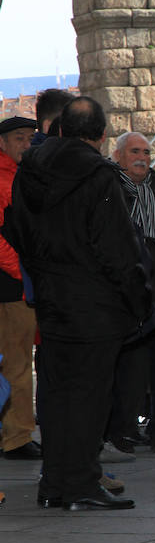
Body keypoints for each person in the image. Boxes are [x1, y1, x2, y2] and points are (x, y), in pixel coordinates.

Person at [7, 96, 149, 509]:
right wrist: (138, 300)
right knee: (90, 396)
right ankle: (82, 482)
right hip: (95, 304)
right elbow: (118, 250)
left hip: (50, 299)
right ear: (102, 137)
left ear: (60, 129)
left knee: (55, 393)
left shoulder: (28, 170)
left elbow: (14, 226)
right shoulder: (99, 177)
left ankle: (54, 483)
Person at [108, 131, 155, 455]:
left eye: (147, 152)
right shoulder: (109, 188)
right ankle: (123, 430)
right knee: (128, 366)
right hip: (128, 291)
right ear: (119, 156)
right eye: (135, 151)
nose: (142, 157)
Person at [0, 116, 41, 460]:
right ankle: (16, 437)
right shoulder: (6, 179)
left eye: (30, 138)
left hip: (14, 284)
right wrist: (21, 274)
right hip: (11, 288)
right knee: (17, 363)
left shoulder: (19, 176)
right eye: (18, 138)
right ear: (2, 142)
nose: (26, 144)